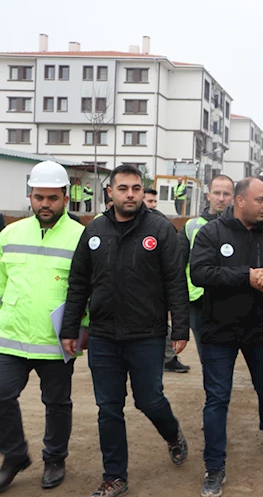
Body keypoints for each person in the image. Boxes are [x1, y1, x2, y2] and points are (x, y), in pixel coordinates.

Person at [60, 164, 190, 497]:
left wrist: (181, 328)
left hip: (146, 334)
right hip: (103, 335)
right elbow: (78, 283)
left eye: (135, 188)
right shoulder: (94, 231)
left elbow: (176, 280)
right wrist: (70, 327)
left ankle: (173, 434)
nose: (130, 194)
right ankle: (114, 476)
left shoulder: (160, 230)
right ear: (111, 192)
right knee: (108, 408)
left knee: (149, 400)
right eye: (123, 188)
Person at [190, 177, 263, 497]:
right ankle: (214, 466)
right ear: (240, 201)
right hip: (218, 330)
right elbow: (200, 272)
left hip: (260, 327)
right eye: (261, 200)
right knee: (217, 398)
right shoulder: (211, 233)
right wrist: (246, 277)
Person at [0, 161, 86, 492]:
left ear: (65, 198)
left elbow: (90, 290)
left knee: (57, 403)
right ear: (30, 196)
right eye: (38, 197)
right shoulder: (9, 234)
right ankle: (14, 454)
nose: (44, 204)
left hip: (57, 339)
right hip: (11, 336)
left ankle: (55, 459)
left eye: (52, 198)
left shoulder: (83, 238)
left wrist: (82, 327)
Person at [178, 175, 236, 362]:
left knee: (226, 353)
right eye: (217, 193)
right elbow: (178, 265)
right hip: (198, 301)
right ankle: (213, 389)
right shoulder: (191, 226)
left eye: (226, 194)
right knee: (206, 355)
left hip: (231, 299)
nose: (221, 198)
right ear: (208, 195)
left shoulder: (240, 227)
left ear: (234, 197)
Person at [143, 187, 190, 373]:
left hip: (155, 292)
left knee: (161, 326)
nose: (153, 205)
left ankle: (168, 358)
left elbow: (173, 266)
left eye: (154, 202)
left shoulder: (162, 224)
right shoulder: (106, 223)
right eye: (149, 201)